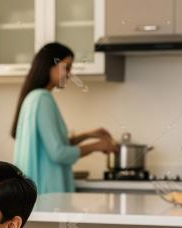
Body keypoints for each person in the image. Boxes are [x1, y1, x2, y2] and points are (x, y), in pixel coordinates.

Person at [12, 42, 118, 194]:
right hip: (48, 193)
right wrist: (98, 146)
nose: (69, 74)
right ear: (50, 65)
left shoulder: (33, 97)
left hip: (38, 192)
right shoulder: (43, 99)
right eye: (66, 67)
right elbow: (58, 153)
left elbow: (52, 145)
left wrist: (88, 135)